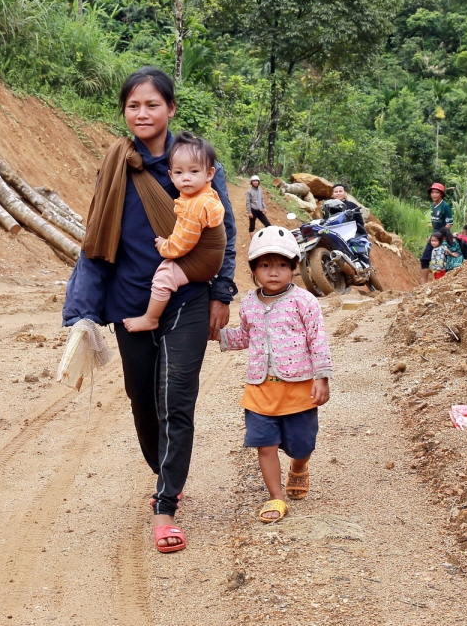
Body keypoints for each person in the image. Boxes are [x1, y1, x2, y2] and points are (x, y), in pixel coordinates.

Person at [63, 66, 237, 554]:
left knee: (176, 400)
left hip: (187, 297)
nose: (143, 113)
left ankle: (165, 507)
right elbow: (97, 242)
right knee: (143, 402)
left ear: (171, 109)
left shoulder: (199, 163)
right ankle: (167, 472)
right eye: (133, 105)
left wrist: (222, 292)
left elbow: (223, 234)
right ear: (124, 110)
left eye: (152, 104)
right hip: (128, 300)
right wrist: (83, 312)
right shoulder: (116, 165)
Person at [216, 226, 332, 524]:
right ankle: (276, 497)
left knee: (302, 444)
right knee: (264, 444)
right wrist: (217, 335)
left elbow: (317, 339)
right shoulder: (250, 303)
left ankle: (299, 467)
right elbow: (246, 336)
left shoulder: (305, 302)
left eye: (282, 265)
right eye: (265, 265)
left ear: (294, 267)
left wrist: (321, 377)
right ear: (254, 270)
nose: (273, 272)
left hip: (298, 390)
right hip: (260, 389)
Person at [123, 134, 226, 333]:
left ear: (210, 174)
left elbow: (182, 243)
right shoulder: (206, 195)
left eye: (194, 171)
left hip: (203, 263)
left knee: (164, 275)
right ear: (171, 176)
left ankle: (150, 318)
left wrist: (165, 247)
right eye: (179, 172)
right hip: (210, 260)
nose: (186, 177)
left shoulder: (195, 205)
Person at [421, 183, 453, 281]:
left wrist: (439, 237)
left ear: (441, 194)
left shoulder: (445, 206)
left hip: (442, 237)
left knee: (441, 261)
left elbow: (449, 224)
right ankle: (424, 283)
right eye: (432, 192)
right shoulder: (433, 206)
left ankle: (442, 282)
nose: (434, 194)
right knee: (425, 259)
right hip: (434, 236)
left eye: (437, 192)